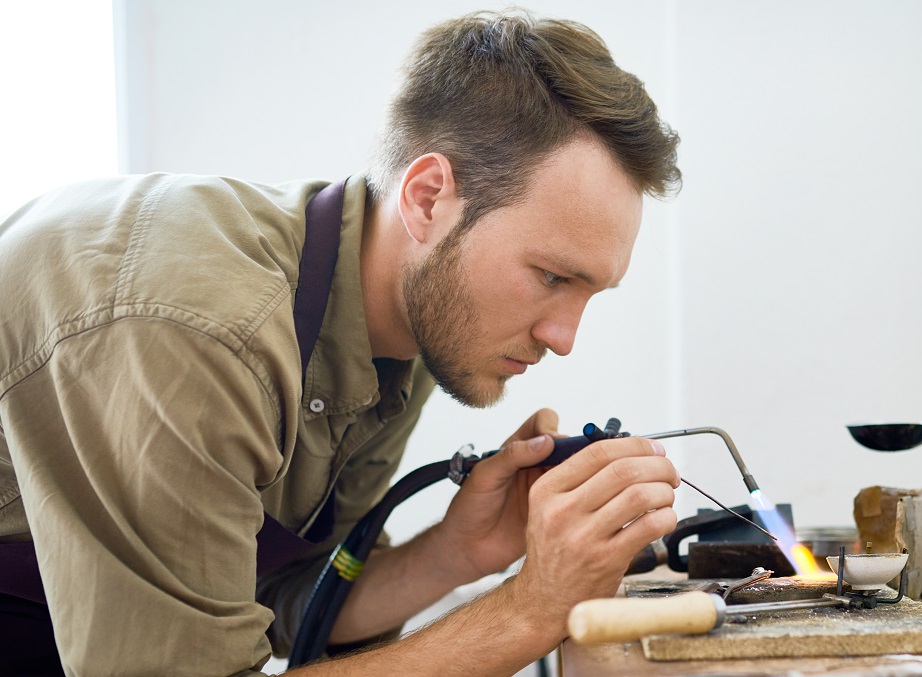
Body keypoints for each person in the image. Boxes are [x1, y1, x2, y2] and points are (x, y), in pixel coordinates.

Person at [0, 9, 682, 676]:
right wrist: (531, 611)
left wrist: (456, 550)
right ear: (427, 198)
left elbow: (280, 598)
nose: (563, 337)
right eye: (551, 275)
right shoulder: (197, 333)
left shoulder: (398, 328)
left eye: (589, 292)